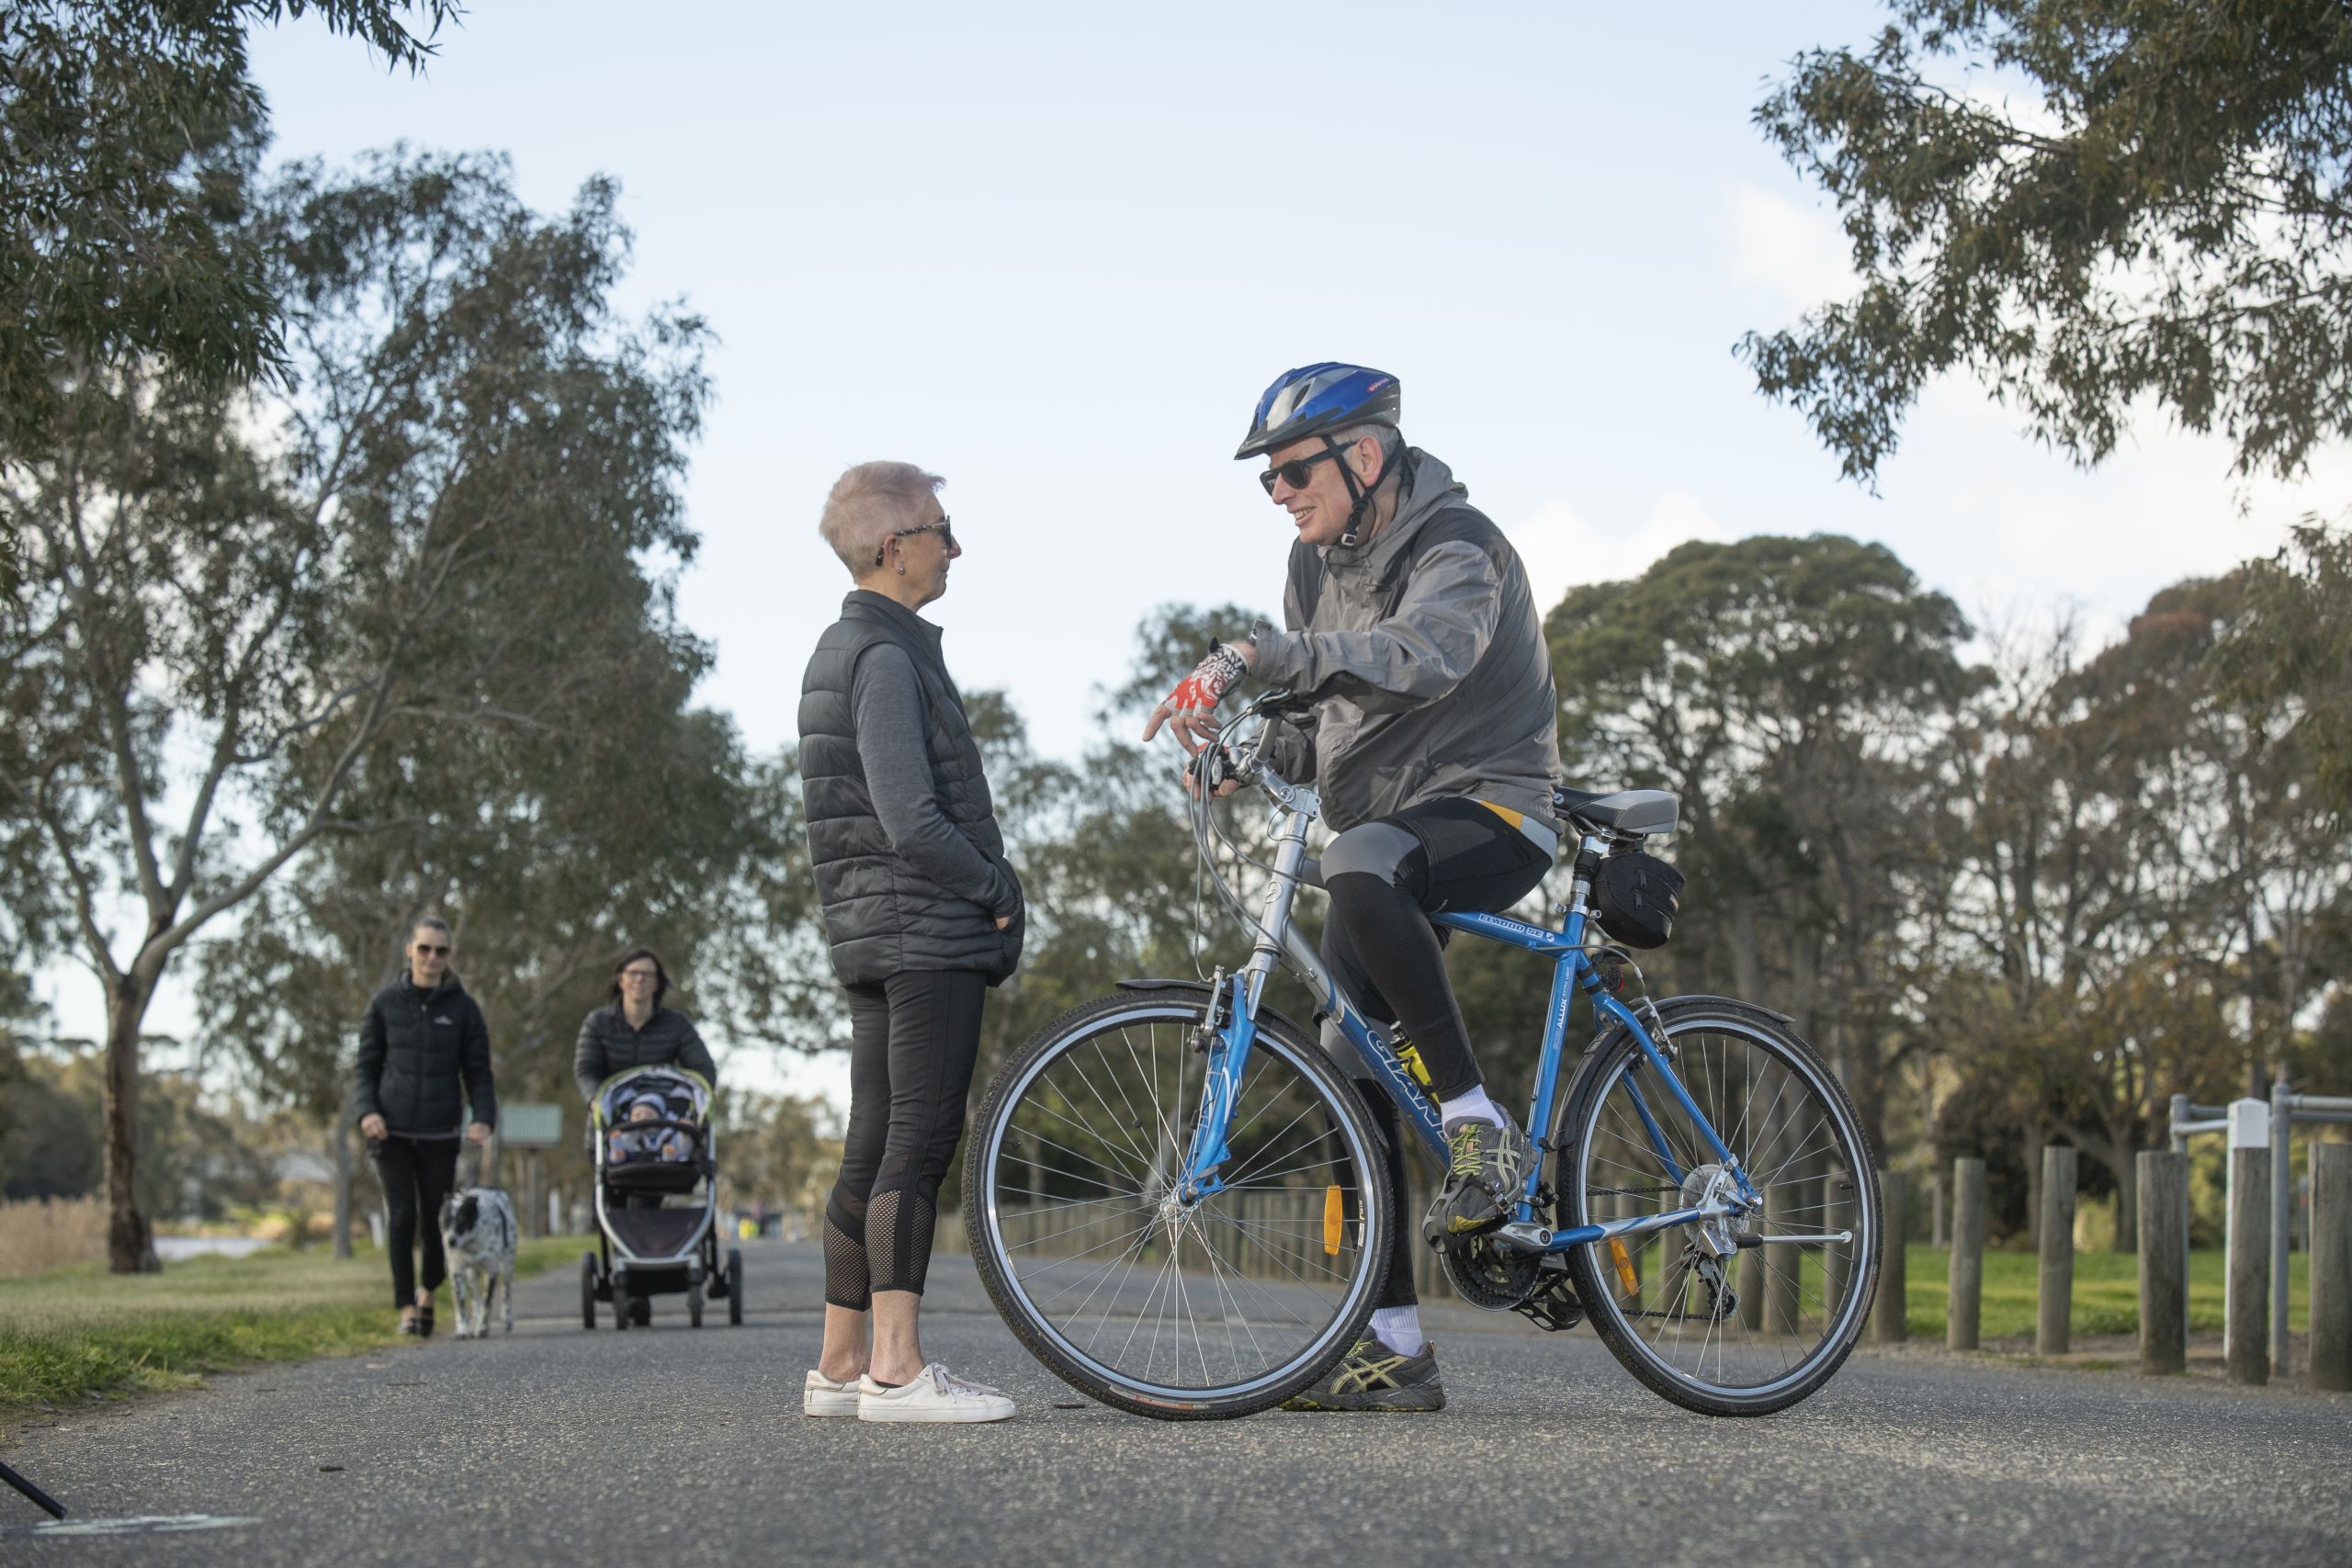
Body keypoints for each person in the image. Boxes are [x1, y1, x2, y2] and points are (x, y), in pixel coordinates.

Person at [1142, 364, 1564, 1412]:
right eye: (1269, 480)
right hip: (1385, 829)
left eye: (1291, 471)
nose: (1279, 494)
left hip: (1494, 807)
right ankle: (1395, 1347)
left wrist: (1257, 654)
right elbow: (1326, 720)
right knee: (1348, 1058)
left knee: (1357, 858)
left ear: (1363, 456)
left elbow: (1424, 655)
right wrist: (1249, 751)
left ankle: (1478, 1125)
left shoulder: (1459, 544)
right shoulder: (1312, 566)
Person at [796, 460, 1024, 1424]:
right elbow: (909, 817)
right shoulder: (886, 658)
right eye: (939, 527)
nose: (955, 545)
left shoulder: (839, 649)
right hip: (923, 932)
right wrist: (996, 888)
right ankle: (897, 1367)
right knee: (918, 1145)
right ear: (893, 548)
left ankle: (839, 1363)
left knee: (872, 1146)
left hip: (870, 934)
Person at [353, 915, 497, 1337]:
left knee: (436, 1220)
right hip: (391, 1131)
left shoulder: (463, 1009)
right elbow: (365, 1067)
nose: (432, 958)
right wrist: (368, 1112)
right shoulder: (384, 1005)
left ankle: (427, 1294)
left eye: (441, 951)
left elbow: (478, 1072)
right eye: (424, 949)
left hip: (440, 1132)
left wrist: (483, 1117)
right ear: (409, 951)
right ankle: (404, 1308)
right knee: (401, 1217)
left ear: (450, 955)